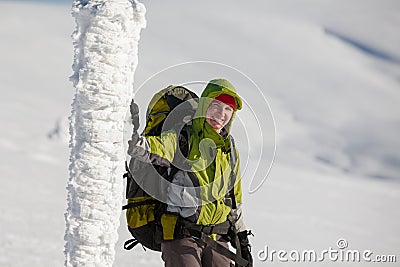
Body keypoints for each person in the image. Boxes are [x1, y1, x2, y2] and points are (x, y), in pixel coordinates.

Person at [128, 78, 253, 267]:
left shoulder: (229, 148)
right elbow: (157, 147)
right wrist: (131, 138)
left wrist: (242, 240)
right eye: (216, 106)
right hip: (181, 234)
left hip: (217, 238)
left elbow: (234, 198)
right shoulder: (184, 136)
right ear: (204, 106)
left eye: (228, 109)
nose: (222, 114)